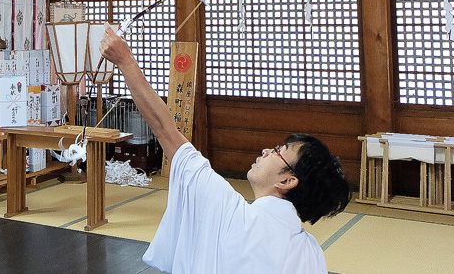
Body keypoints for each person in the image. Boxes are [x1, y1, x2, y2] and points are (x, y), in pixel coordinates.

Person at [100, 25, 351, 274]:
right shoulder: (310, 252)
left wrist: (124, 60)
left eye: (278, 150)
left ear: (288, 180)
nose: (265, 151)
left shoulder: (230, 212)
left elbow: (164, 129)